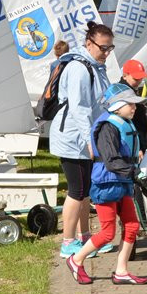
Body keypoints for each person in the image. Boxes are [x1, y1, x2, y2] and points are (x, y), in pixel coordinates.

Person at [66, 83, 147, 285]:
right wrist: (137, 175)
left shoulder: (124, 123)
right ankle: (76, 260)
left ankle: (121, 271)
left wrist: (139, 180)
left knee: (132, 226)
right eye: (130, 104)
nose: (134, 108)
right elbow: (112, 160)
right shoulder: (107, 127)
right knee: (107, 232)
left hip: (122, 181)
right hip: (106, 184)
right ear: (117, 106)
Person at [49, 21, 114, 258]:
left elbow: (101, 100)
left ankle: (85, 238)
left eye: (110, 48)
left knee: (87, 190)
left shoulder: (96, 66)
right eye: (103, 48)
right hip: (72, 138)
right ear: (89, 43)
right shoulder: (78, 68)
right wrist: (90, 140)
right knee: (76, 190)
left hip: (87, 137)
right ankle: (68, 242)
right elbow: (79, 109)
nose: (106, 53)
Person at [119, 59, 147, 153]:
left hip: (139, 138)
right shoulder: (123, 93)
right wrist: (139, 147)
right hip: (134, 143)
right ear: (125, 76)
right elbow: (127, 122)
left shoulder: (130, 89)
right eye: (136, 79)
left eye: (141, 78)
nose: (139, 81)